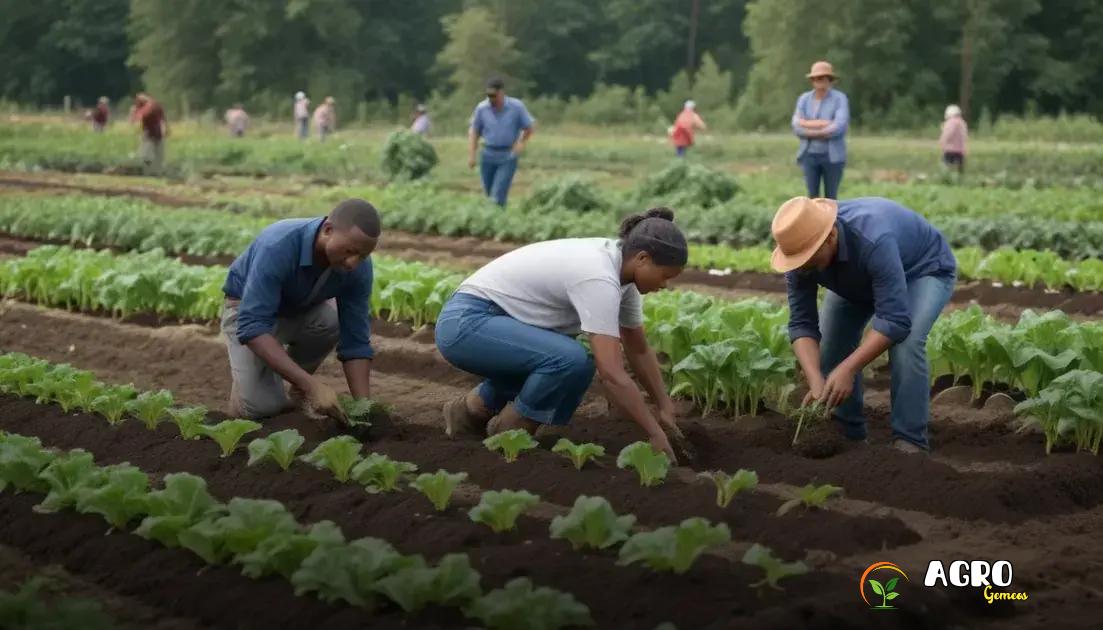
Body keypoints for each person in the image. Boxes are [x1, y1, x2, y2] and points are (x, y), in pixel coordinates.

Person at [435, 208, 689, 462]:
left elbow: (638, 349)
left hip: (493, 322)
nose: (665, 284)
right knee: (570, 360)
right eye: (665, 275)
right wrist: (654, 433)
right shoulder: (598, 276)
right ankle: (510, 433)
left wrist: (664, 406)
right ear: (642, 258)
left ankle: (467, 414)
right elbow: (611, 373)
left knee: (560, 356)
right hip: (466, 323)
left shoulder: (623, 277)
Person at [770, 196, 957, 454]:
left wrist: (849, 368)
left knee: (907, 344)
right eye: (799, 262)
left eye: (810, 259)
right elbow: (802, 323)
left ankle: (910, 440)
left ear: (831, 236)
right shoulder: (800, 255)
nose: (804, 267)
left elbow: (894, 320)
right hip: (858, 278)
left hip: (921, 271)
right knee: (832, 344)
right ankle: (848, 432)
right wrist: (816, 380)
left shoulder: (873, 238)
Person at [221, 199, 381, 424]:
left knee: (332, 320)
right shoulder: (278, 244)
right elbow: (252, 326)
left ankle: (293, 387)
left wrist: (365, 408)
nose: (354, 263)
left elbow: (356, 341)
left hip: (299, 312)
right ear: (327, 230)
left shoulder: (358, 268)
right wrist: (313, 385)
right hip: (246, 314)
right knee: (263, 408)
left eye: (363, 256)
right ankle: (265, 388)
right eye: (350, 251)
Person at [468, 77, 534, 207]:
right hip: (488, 154)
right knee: (489, 193)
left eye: (494, 95)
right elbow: (474, 131)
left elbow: (529, 127)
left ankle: (495, 217)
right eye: (489, 95)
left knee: (498, 194)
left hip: (507, 155)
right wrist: (472, 155)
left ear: (502, 93)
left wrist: (521, 142)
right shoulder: (482, 108)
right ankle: (498, 219)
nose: (491, 99)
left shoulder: (516, 107)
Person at [791, 61, 849, 199]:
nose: (820, 82)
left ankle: (831, 221)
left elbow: (839, 126)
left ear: (830, 80)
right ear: (812, 81)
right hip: (809, 155)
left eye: (823, 78)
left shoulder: (840, 99)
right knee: (812, 197)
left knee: (831, 198)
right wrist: (823, 127)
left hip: (832, 157)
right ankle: (814, 221)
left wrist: (808, 125)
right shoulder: (803, 99)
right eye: (816, 78)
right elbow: (796, 125)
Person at [133, 93, 168, 174]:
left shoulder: (147, 107)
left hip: (149, 133)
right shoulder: (155, 105)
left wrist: (135, 113)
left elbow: (139, 118)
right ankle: (156, 171)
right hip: (155, 132)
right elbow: (163, 117)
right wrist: (166, 127)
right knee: (158, 154)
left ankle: (151, 171)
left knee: (147, 155)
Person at [939, 105, 968, 175]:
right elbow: (965, 136)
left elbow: (947, 135)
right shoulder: (962, 123)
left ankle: (947, 179)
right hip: (960, 151)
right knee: (959, 169)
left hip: (950, 150)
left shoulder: (949, 122)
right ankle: (959, 181)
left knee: (946, 167)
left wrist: (941, 141)